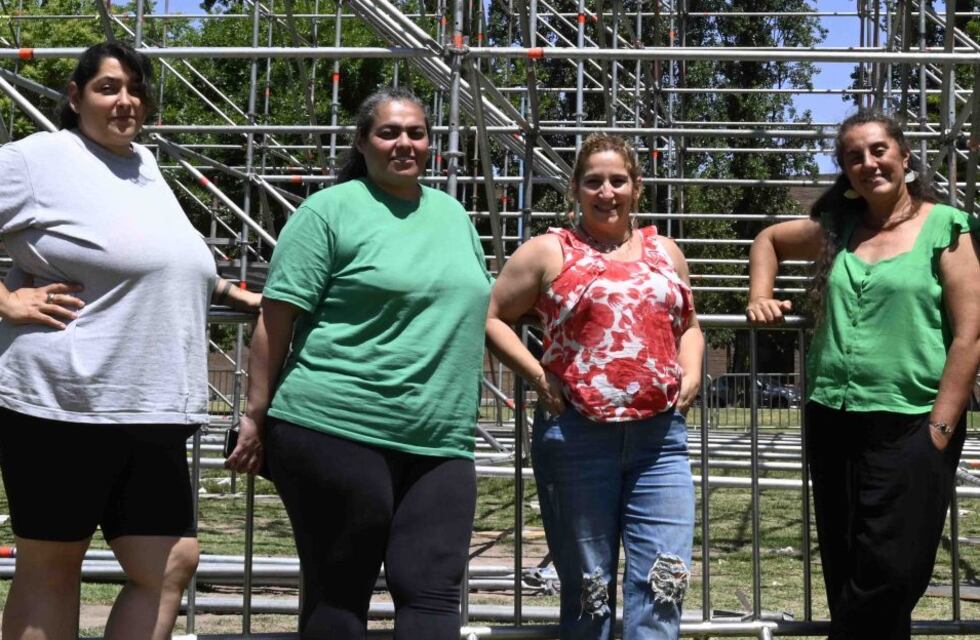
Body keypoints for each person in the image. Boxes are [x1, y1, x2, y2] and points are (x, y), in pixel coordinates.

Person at [0, 42, 260, 640]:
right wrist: (9, 299)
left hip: (151, 405)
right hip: (65, 401)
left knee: (170, 563)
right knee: (52, 567)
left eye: (136, 89)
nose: (126, 101)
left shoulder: (143, 164)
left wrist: (228, 291)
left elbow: (152, 258)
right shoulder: (41, 158)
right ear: (74, 96)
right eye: (108, 88)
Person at [224, 87, 492, 639]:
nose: (405, 144)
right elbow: (275, 322)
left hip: (440, 439)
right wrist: (255, 415)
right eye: (388, 132)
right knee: (340, 590)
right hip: (334, 425)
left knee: (436, 593)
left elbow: (481, 308)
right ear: (362, 142)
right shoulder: (328, 211)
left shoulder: (454, 215)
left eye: (416, 132)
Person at [746, 111, 980, 640]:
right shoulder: (839, 229)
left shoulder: (946, 226)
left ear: (903, 156)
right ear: (844, 168)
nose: (868, 163)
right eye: (854, 155)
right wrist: (760, 295)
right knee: (847, 561)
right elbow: (769, 240)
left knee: (892, 572)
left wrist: (940, 429)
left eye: (878, 150)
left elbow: (970, 335)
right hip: (834, 416)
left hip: (914, 422)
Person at [485, 133, 704, 639]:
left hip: (659, 442)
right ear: (575, 190)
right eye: (593, 182)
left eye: (618, 180)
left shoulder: (665, 251)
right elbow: (492, 316)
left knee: (663, 580)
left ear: (637, 187)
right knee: (590, 589)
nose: (607, 192)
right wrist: (540, 377)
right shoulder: (548, 250)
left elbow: (689, 324)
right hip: (577, 437)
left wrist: (691, 372)